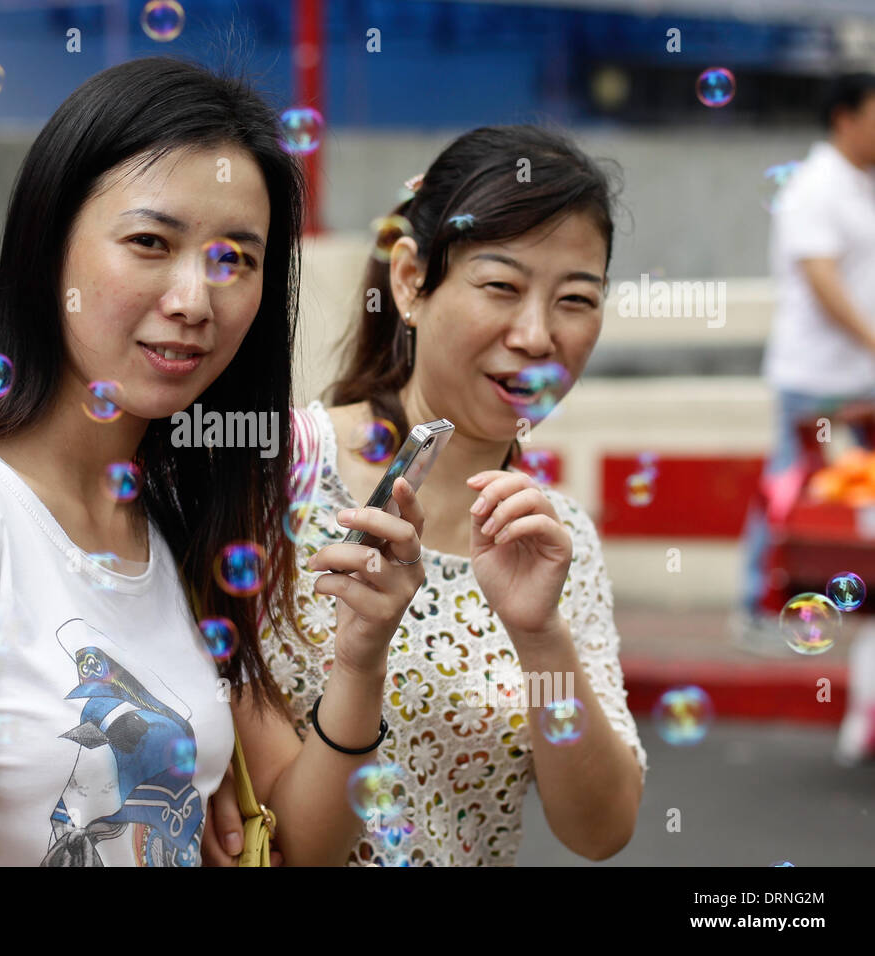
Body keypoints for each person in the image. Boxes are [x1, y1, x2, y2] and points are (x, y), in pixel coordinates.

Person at [0, 55, 428, 867]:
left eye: (236, 258)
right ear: (47, 245)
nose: (195, 299)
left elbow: (304, 847)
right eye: (149, 241)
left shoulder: (177, 520)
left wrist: (361, 656)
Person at [209, 126, 647, 866]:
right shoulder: (271, 469)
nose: (539, 335)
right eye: (501, 286)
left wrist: (540, 633)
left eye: (576, 299)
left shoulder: (556, 537)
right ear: (411, 281)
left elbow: (600, 830)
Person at [739, 75, 875, 660]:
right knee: (791, 490)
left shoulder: (861, 184)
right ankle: (753, 606)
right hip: (815, 378)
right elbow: (823, 280)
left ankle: (843, 601)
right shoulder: (816, 186)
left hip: (859, 376)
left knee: (853, 496)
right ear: (844, 117)